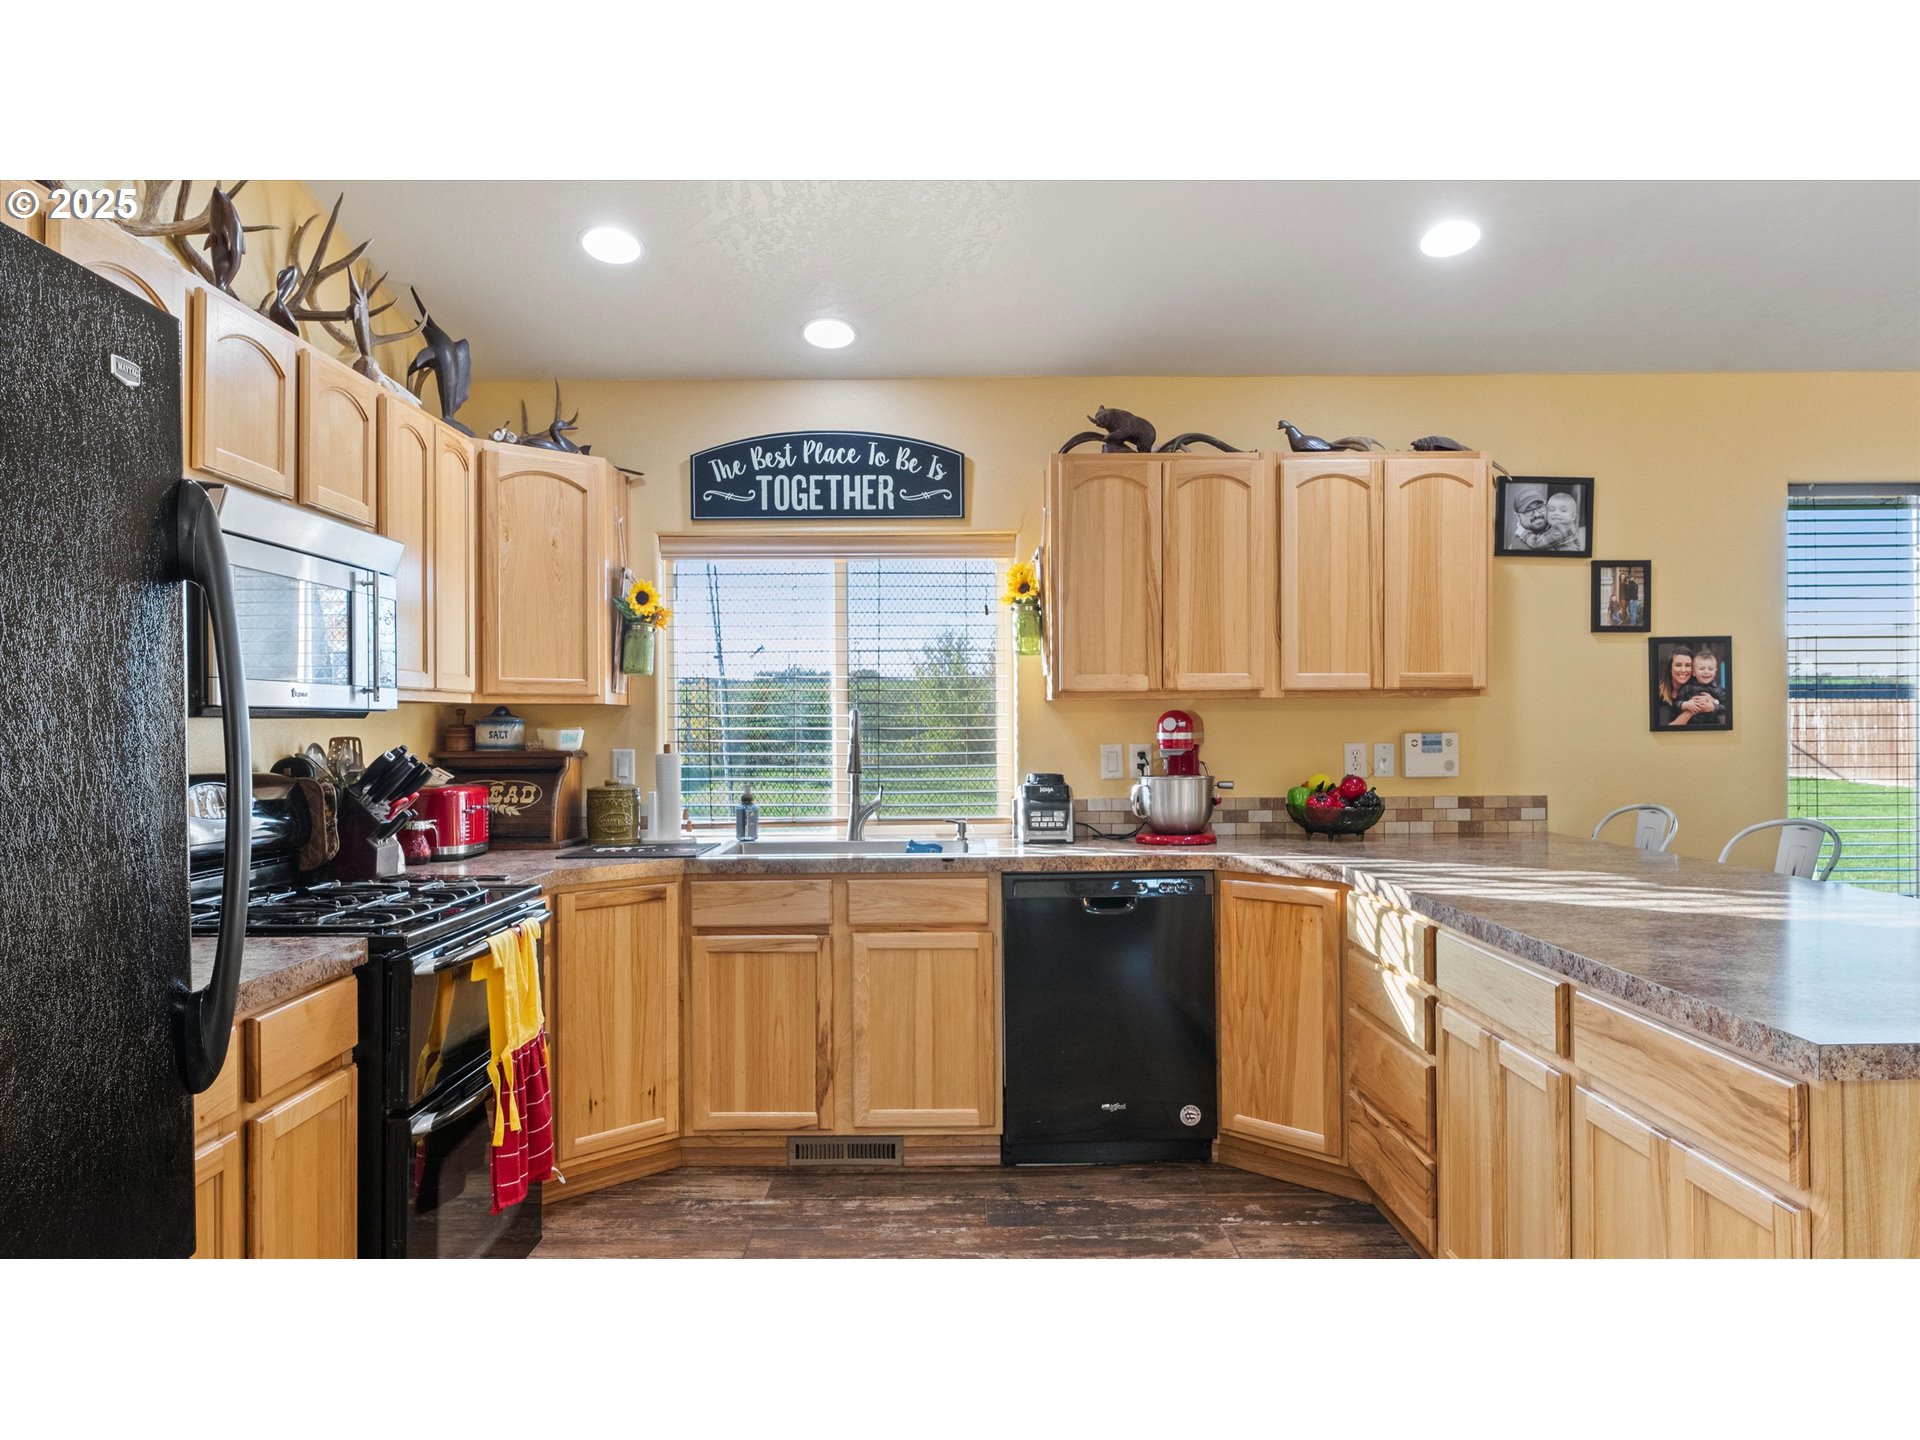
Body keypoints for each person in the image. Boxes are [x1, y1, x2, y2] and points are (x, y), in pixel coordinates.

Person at [1655, 644, 1719, 727]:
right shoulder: (1658, 694)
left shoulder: (1707, 688)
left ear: (1693, 670)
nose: (1683, 670)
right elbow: (1664, 730)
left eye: (1688, 665)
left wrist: (1714, 702)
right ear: (1670, 668)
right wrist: (1693, 709)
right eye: (1678, 665)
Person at [1673, 645, 1728, 726]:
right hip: (1691, 727)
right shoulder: (1687, 688)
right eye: (1702, 669)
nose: (1706, 672)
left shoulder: (1719, 689)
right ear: (1694, 672)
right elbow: (1676, 704)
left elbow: (1727, 707)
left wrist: (1713, 707)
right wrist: (1686, 705)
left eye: (1710, 669)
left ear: (1715, 671)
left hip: (1712, 728)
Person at [1508, 483, 1551, 549]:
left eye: (1539, 507)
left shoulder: (1557, 527)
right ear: (1518, 516)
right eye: (1528, 511)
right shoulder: (1520, 545)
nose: (1537, 514)